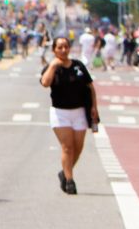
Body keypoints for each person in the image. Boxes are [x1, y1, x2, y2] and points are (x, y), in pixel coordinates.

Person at [40, 36, 97, 195]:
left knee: (78, 148)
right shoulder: (52, 66)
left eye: (66, 47)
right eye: (59, 47)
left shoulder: (78, 66)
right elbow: (45, 83)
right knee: (67, 147)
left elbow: (90, 87)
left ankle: (64, 172)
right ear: (54, 50)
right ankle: (70, 181)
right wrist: (53, 66)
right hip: (60, 113)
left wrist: (94, 107)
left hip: (79, 112)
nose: (63, 50)